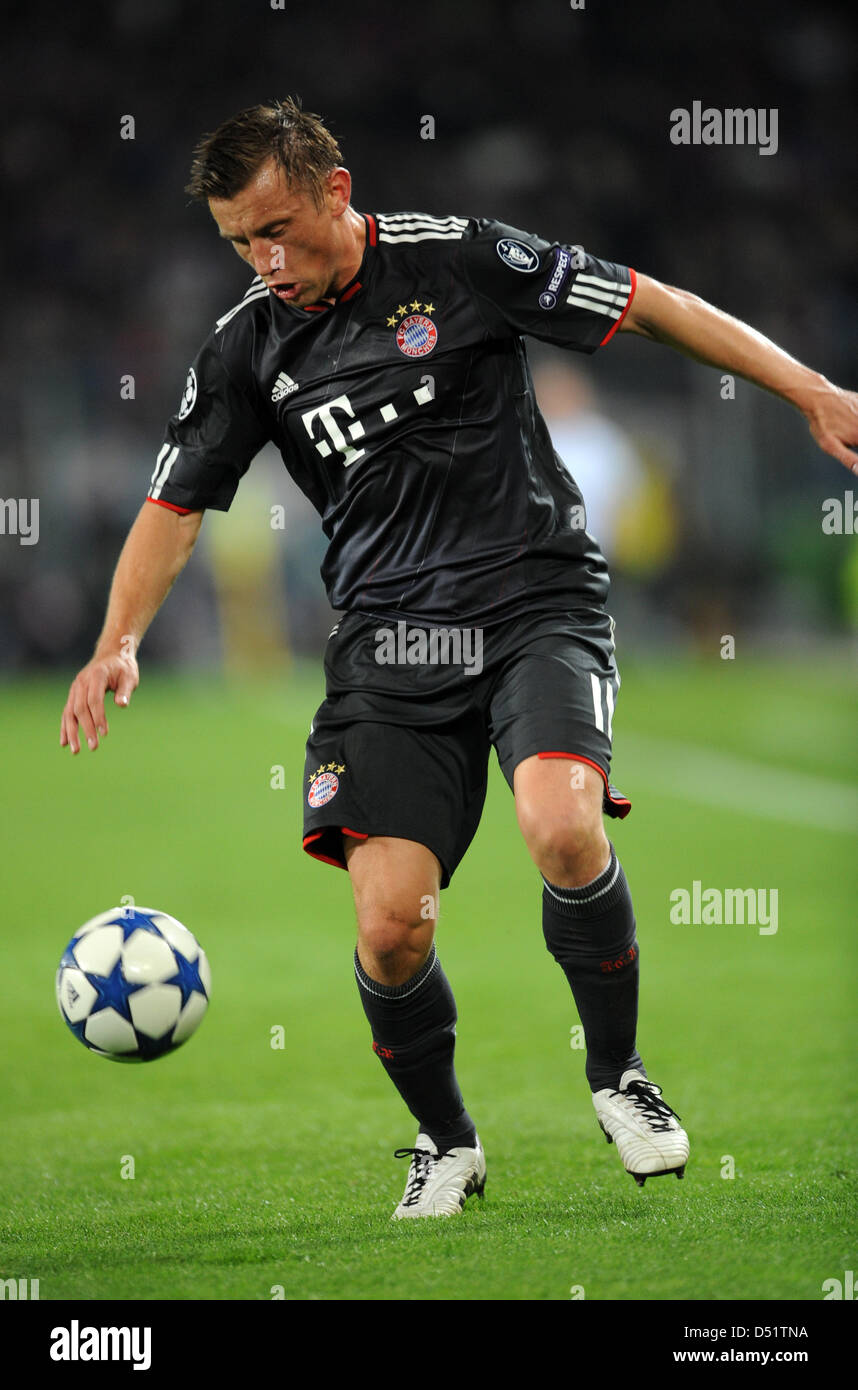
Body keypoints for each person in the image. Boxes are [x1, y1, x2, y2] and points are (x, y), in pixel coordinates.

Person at [60, 99, 858, 1219]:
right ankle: (447, 1141)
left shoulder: (466, 259)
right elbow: (174, 502)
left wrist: (810, 389)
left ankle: (619, 1074)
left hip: (535, 598)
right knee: (390, 928)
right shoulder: (247, 346)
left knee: (563, 823)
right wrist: (116, 642)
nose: (266, 258)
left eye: (280, 227)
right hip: (387, 644)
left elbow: (650, 304)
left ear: (338, 189)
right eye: (241, 240)